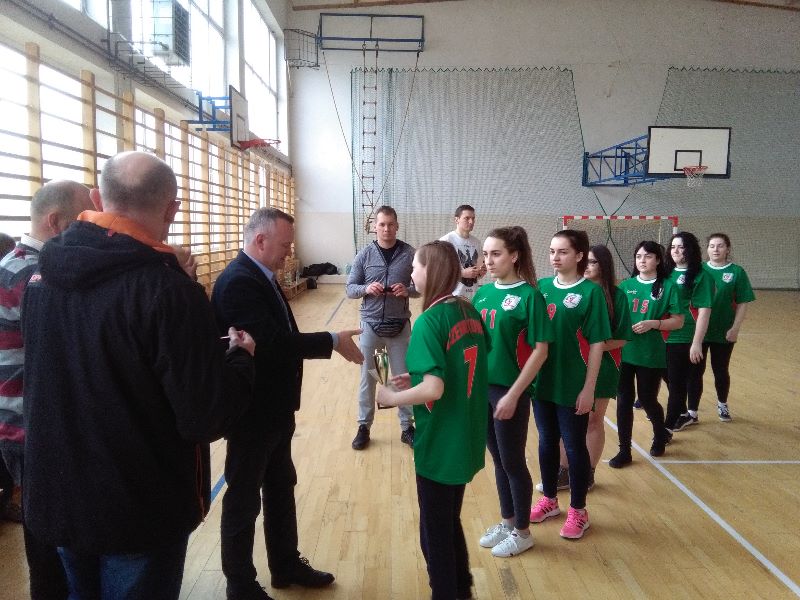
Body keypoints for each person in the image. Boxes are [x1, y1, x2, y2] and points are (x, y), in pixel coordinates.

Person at [21, 151, 256, 600]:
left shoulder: (41, 278)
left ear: (97, 198)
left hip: (60, 496)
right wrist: (241, 359)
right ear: (172, 210)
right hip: (139, 507)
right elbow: (205, 416)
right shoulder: (168, 291)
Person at [212, 207, 363, 600]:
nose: (289, 253)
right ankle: (240, 584)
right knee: (244, 499)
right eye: (284, 245)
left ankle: (285, 565)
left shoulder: (260, 275)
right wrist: (331, 340)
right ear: (260, 240)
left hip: (275, 408)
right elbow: (270, 344)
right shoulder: (239, 282)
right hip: (252, 412)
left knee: (280, 487)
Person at [376, 240, 490, 600]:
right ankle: (462, 588)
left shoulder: (428, 321)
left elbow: (435, 388)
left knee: (434, 534)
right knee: (448, 521)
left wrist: (392, 398)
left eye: (416, 266)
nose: (411, 271)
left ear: (432, 271)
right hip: (467, 436)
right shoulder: (467, 310)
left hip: (441, 441)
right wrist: (416, 377)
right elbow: (460, 364)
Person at [0, 180, 92, 599]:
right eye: (83, 220)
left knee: (51, 535)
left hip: (23, 421)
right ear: (55, 222)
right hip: (30, 425)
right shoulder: (33, 275)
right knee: (51, 546)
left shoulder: (18, 265)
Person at [473, 227, 550, 557]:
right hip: (483, 390)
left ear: (514, 255)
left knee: (513, 461)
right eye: (485, 254)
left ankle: (523, 532)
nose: (488, 261)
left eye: (496, 254)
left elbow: (541, 351)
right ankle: (508, 522)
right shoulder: (482, 294)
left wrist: (514, 395)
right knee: (498, 459)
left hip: (510, 392)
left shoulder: (530, 297)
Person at [530, 230, 610, 540]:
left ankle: (579, 510)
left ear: (579, 256)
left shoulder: (590, 293)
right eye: (552, 251)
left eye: (562, 252)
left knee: (574, 446)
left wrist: (589, 388)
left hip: (573, 384)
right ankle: (550, 500)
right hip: (543, 382)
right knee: (546, 441)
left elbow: (597, 344)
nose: (555, 257)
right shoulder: (541, 288)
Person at [536, 244, 632, 493]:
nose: (587, 266)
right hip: (568, 367)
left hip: (604, 366)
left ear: (604, 265)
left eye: (593, 262)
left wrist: (590, 347)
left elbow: (621, 338)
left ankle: (587, 472)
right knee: (564, 422)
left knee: (592, 420)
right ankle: (564, 471)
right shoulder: (559, 289)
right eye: (585, 261)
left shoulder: (616, 296)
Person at [346, 205, 417, 450]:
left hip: (399, 328)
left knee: (402, 378)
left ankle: (407, 427)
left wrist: (407, 290)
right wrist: (366, 288)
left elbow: (420, 287)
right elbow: (350, 288)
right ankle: (364, 426)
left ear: (397, 226)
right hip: (371, 328)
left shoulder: (409, 254)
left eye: (390, 224)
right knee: (370, 378)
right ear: (374, 227)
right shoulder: (364, 255)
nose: (386, 229)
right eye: (382, 224)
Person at [610, 241, 683, 468]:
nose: (642, 260)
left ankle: (660, 434)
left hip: (650, 353)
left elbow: (678, 321)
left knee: (648, 399)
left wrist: (654, 323)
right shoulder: (626, 286)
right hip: (624, 351)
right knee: (623, 401)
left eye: (648, 256)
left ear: (658, 260)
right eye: (639, 256)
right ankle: (624, 450)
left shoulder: (668, 287)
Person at [699, 233, 755, 422]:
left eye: (720, 246)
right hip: (699, 332)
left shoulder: (737, 272)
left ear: (728, 249)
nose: (715, 249)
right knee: (695, 372)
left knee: (720, 370)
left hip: (723, 332)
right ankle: (691, 410)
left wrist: (735, 328)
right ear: (707, 249)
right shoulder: (699, 270)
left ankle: (722, 404)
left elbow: (743, 302)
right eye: (712, 246)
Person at [663, 232, 714, 431]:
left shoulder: (701, 276)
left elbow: (704, 311)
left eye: (681, 246)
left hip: (685, 336)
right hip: (664, 334)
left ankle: (669, 426)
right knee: (668, 377)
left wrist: (697, 342)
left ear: (690, 249)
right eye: (673, 247)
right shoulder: (665, 272)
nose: (675, 251)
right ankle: (682, 412)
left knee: (679, 381)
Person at [439, 204, 485, 300]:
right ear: (457, 220)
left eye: (473, 218)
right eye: (467, 218)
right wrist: (461, 273)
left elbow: (478, 272)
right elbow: (437, 271)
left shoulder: (477, 242)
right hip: (451, 297)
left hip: (472, 296)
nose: (471, 222)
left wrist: (481, 272)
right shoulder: (445, 241)